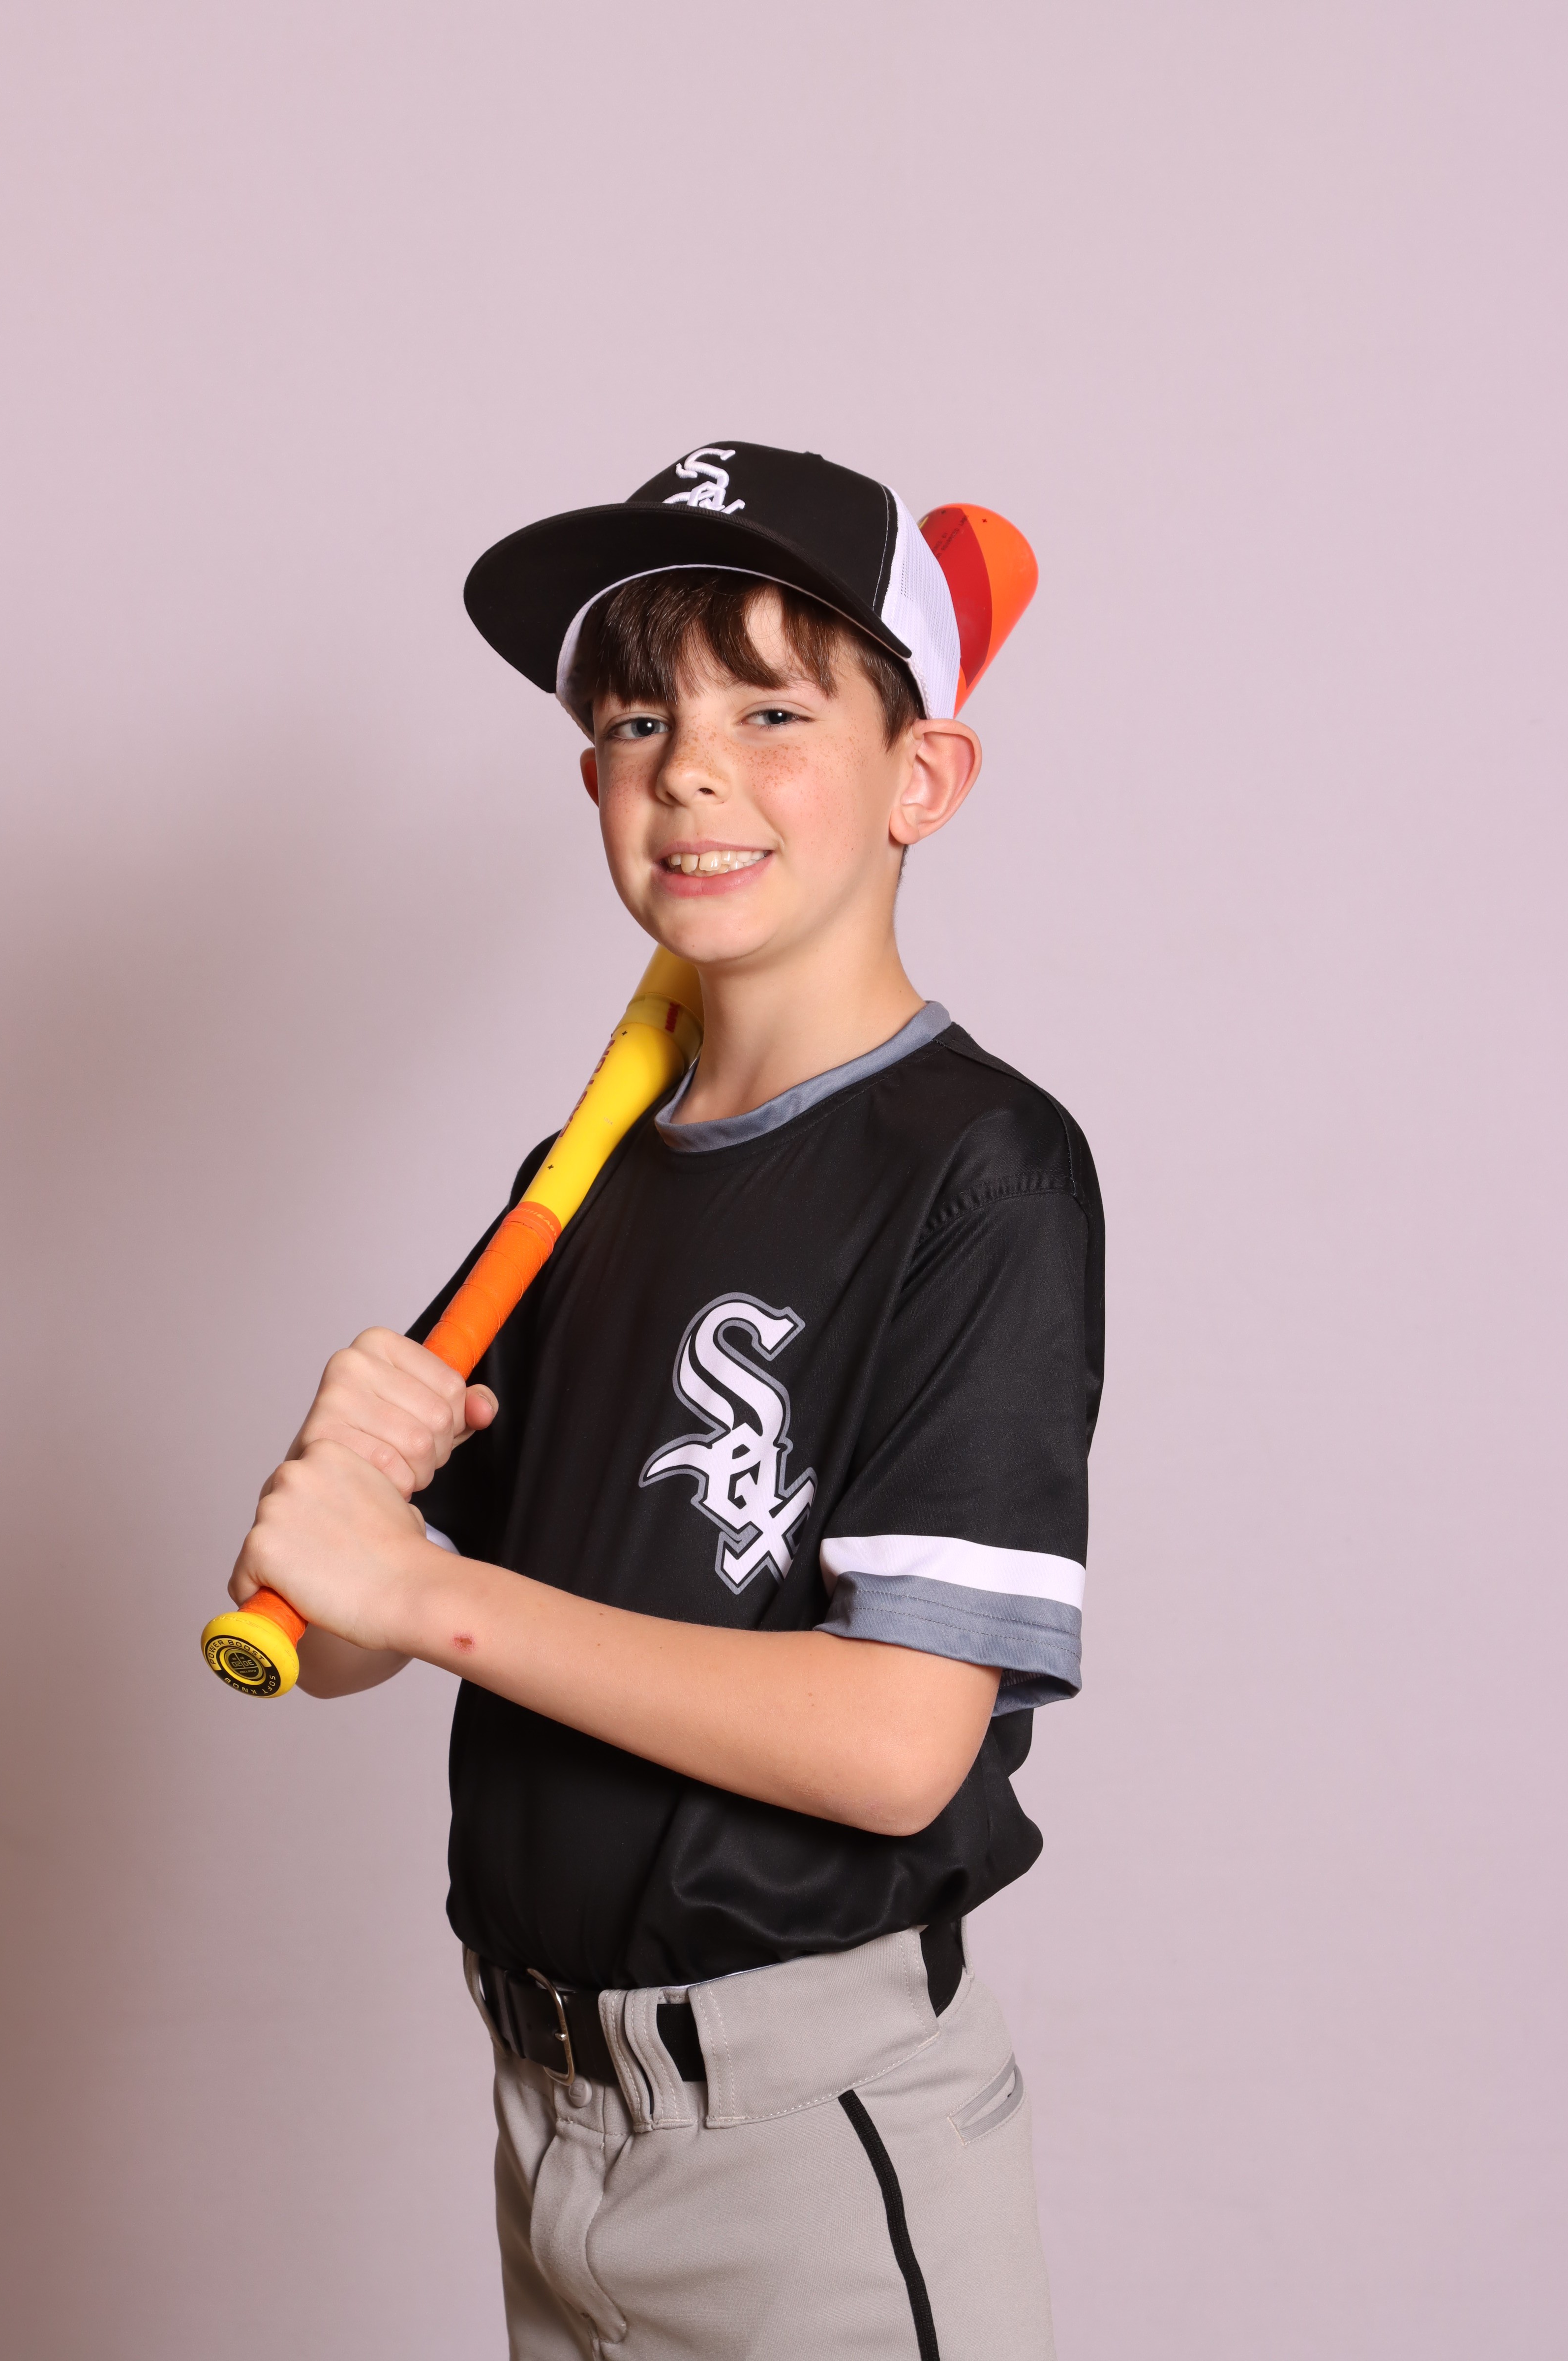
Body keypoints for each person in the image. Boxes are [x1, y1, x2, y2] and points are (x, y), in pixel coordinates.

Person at [230, 441, 1105, 2360]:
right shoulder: (587, 1179)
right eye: (639, 722)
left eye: (771, 713)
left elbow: (895, 1745)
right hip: (547, 2118)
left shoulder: (979, 1175)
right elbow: (356, 1635)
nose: (691, 769)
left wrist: (428, 1593)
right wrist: (340, 1498)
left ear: (921, 780)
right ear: (595, 787)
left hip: (807, 2144)